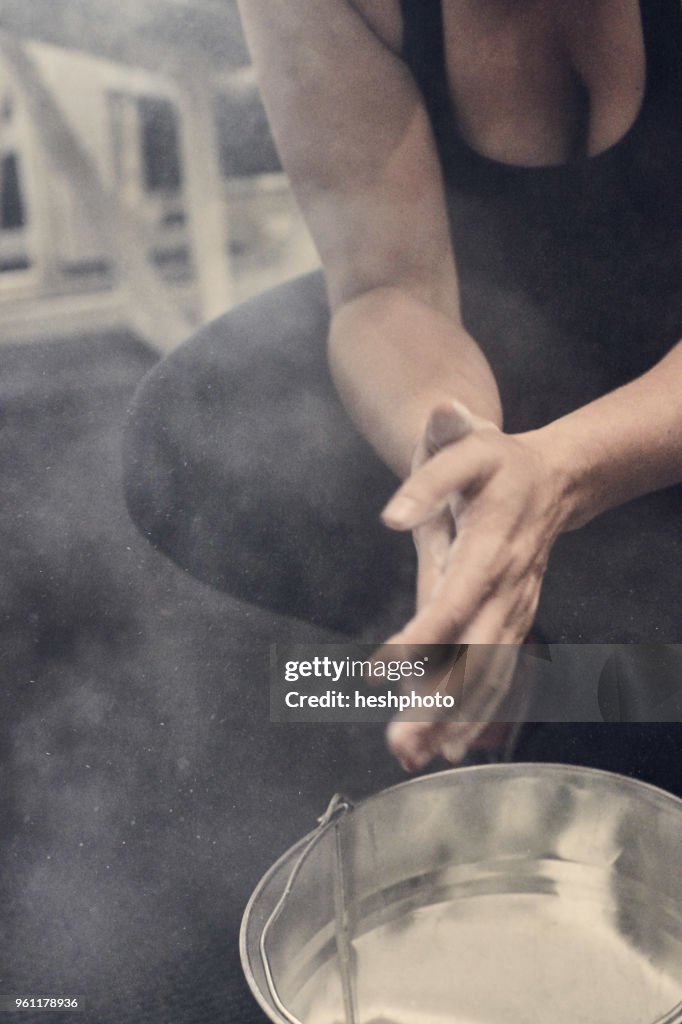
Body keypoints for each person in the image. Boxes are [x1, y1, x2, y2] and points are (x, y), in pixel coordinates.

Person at [123, 0, 682, 778]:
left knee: (644, 716)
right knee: (186, 432)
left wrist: (561, 474)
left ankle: (602, 712)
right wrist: (456, 458)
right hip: (513, 340)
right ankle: (492, 689)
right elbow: (389, 286)